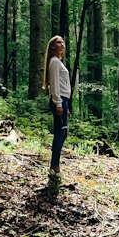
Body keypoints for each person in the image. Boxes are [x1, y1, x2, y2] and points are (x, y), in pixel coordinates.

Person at [42, 34, 71, 194]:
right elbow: (54, 84)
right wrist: (59, 103)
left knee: (63, 132)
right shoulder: (53, 62)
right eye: (58, 42)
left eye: (62, 41)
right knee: (60, 133)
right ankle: (54, 166)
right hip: (59, 101)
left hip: (63, 101)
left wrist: (65, 105)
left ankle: (55, 165)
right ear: (53, 46)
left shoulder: (58, 62)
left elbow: (62, 84)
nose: (62, 43)